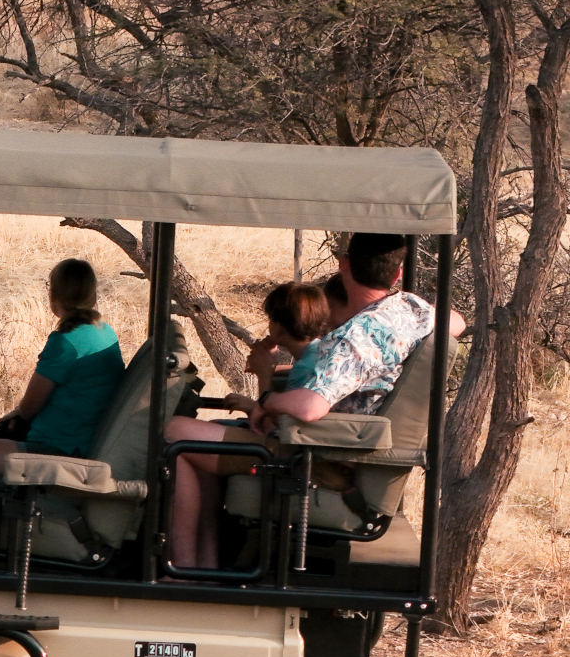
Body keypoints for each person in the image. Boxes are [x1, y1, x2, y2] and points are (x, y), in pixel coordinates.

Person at [164, 233, 449, 570]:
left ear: (344, 265)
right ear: (397, 275)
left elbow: (310, 408)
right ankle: (203, 566)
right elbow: (454, 323)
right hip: (337, 446)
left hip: (319, 454)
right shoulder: (411, 307)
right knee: (200, 447)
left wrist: (268, 400)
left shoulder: (358, 334)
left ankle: (180, 569)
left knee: (174, 432)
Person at [0, 259, 124, 549]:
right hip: (73, 442)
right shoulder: (104, 332)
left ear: (53, 295)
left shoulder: (66, 342)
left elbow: (29, 408)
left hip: (57, 452)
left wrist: (15, 414)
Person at [236, 281, 332, 400]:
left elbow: (282, 419)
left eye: (270, 318)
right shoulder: (319, 350)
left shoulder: (303, 369)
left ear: (279, 326)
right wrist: (270, 366)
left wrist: (264, 375)